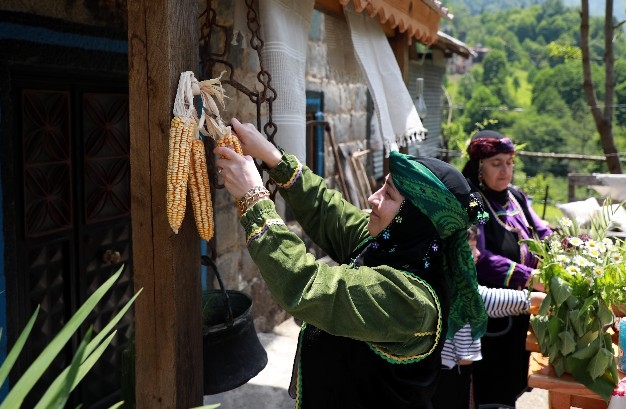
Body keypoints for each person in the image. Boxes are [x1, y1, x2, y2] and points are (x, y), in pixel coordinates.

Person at [214, 117, 489, 409]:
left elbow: (308, 286)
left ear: (414, 220)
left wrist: (254, 199)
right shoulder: (387, 244)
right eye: (382, 186)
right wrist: (272, 156)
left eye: (389, 195)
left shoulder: (411, 302)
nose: (372, 198)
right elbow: (329, 212)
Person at [461, 130, 552, 408]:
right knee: (492, 380)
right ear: (479, 167)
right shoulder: (473, 200)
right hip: (494, 311)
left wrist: (562, 249)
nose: (505, 170)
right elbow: (481, 256)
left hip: (524, 307)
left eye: (509, 163)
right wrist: (528, 277)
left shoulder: (516, 196)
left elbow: (542, 230)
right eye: (496, 163)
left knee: (516, 373)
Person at [431, 226, 546, 409]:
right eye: (469, 249)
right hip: (449, 374)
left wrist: (535, 301)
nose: (477, 254)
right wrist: (539, 301)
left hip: (454, 371)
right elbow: (492, 300)